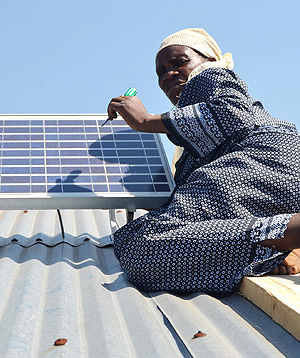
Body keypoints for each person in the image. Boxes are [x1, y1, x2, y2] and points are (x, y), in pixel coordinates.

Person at [107, 28, 300, 294]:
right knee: (163, 236)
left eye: (179, 63)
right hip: (279, 171)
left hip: (258, 157)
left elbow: (232, 113)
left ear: (209, 59)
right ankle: (277, 244)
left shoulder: (210, 75)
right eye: (161, 72)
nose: (168, 74)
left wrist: (145, 120)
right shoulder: (192, 142)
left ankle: (283, 235)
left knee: (140, 245)